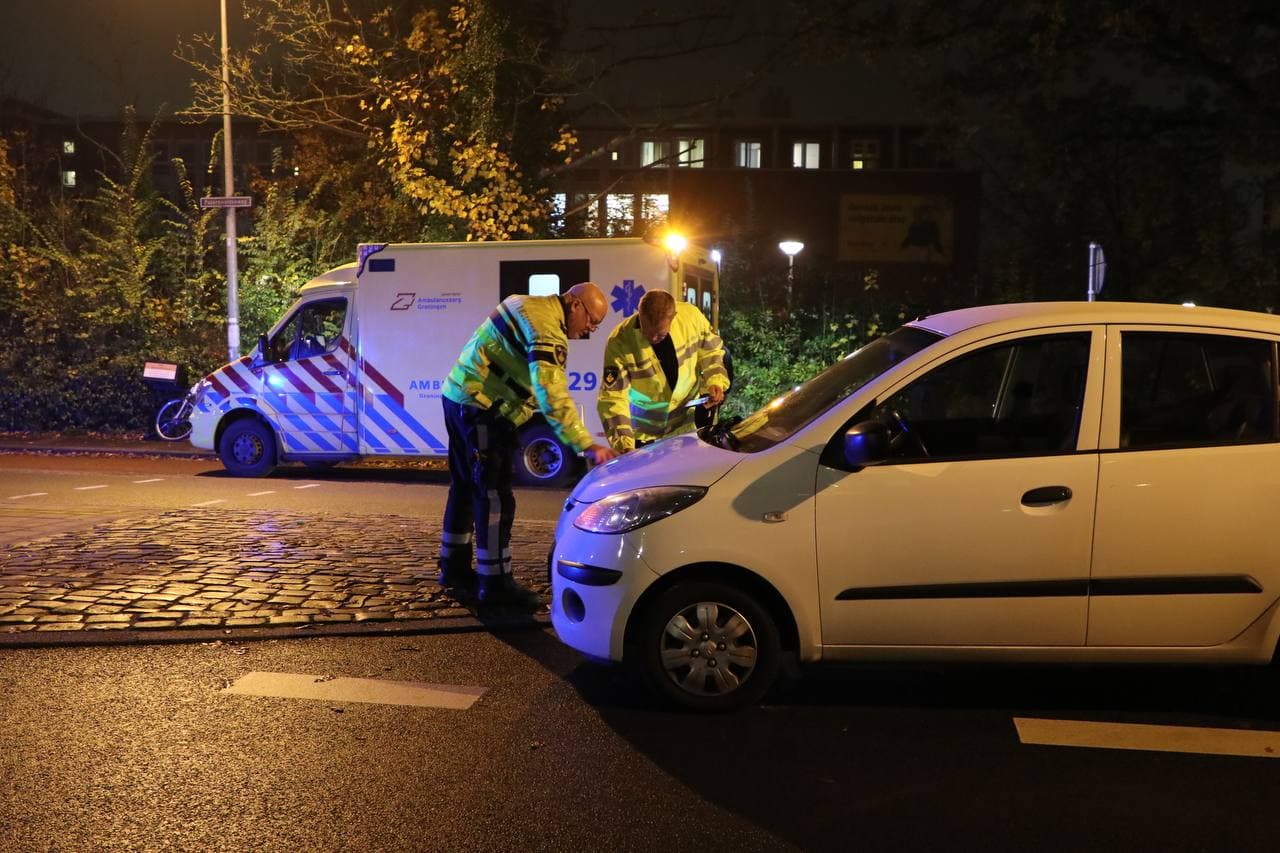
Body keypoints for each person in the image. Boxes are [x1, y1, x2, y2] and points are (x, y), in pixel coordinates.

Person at [438, 282, 618, 604]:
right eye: (592, 320)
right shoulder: (547, 329)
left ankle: (453, 568)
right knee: (495, 496)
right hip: (481, 407)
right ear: (575, 305)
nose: (591, 329)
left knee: (464, 486)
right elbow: (552, 393)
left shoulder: (526, 304)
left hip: (460, 396)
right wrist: (588, 444)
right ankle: (494, 585)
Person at [597, 290, 730, 453]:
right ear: (640, 314)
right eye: (647, 332)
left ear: (673, 317)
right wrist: (624, 444)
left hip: (684, 430)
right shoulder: (620, 341)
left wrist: (715, 381)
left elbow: (712, 352)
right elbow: (613, 398)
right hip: (642, 438)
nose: (653, 339)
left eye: (659, 335)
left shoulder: (691, 319)